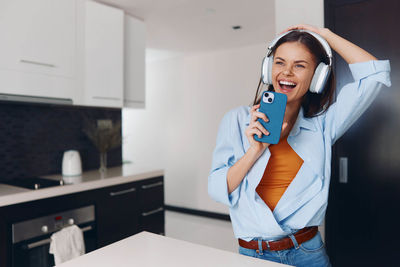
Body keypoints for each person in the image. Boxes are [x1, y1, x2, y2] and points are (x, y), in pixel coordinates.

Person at [208, 24, 391, 267]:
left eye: (300, 65)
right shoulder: (237, 120)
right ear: (268, 68)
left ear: (317, 76)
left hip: (307, 253)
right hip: (253, 253)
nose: (286, 73)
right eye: (280, 62)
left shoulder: (323, 125)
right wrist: (255, 151)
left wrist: (325, 35)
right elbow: (217, 188)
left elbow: (374, 75)